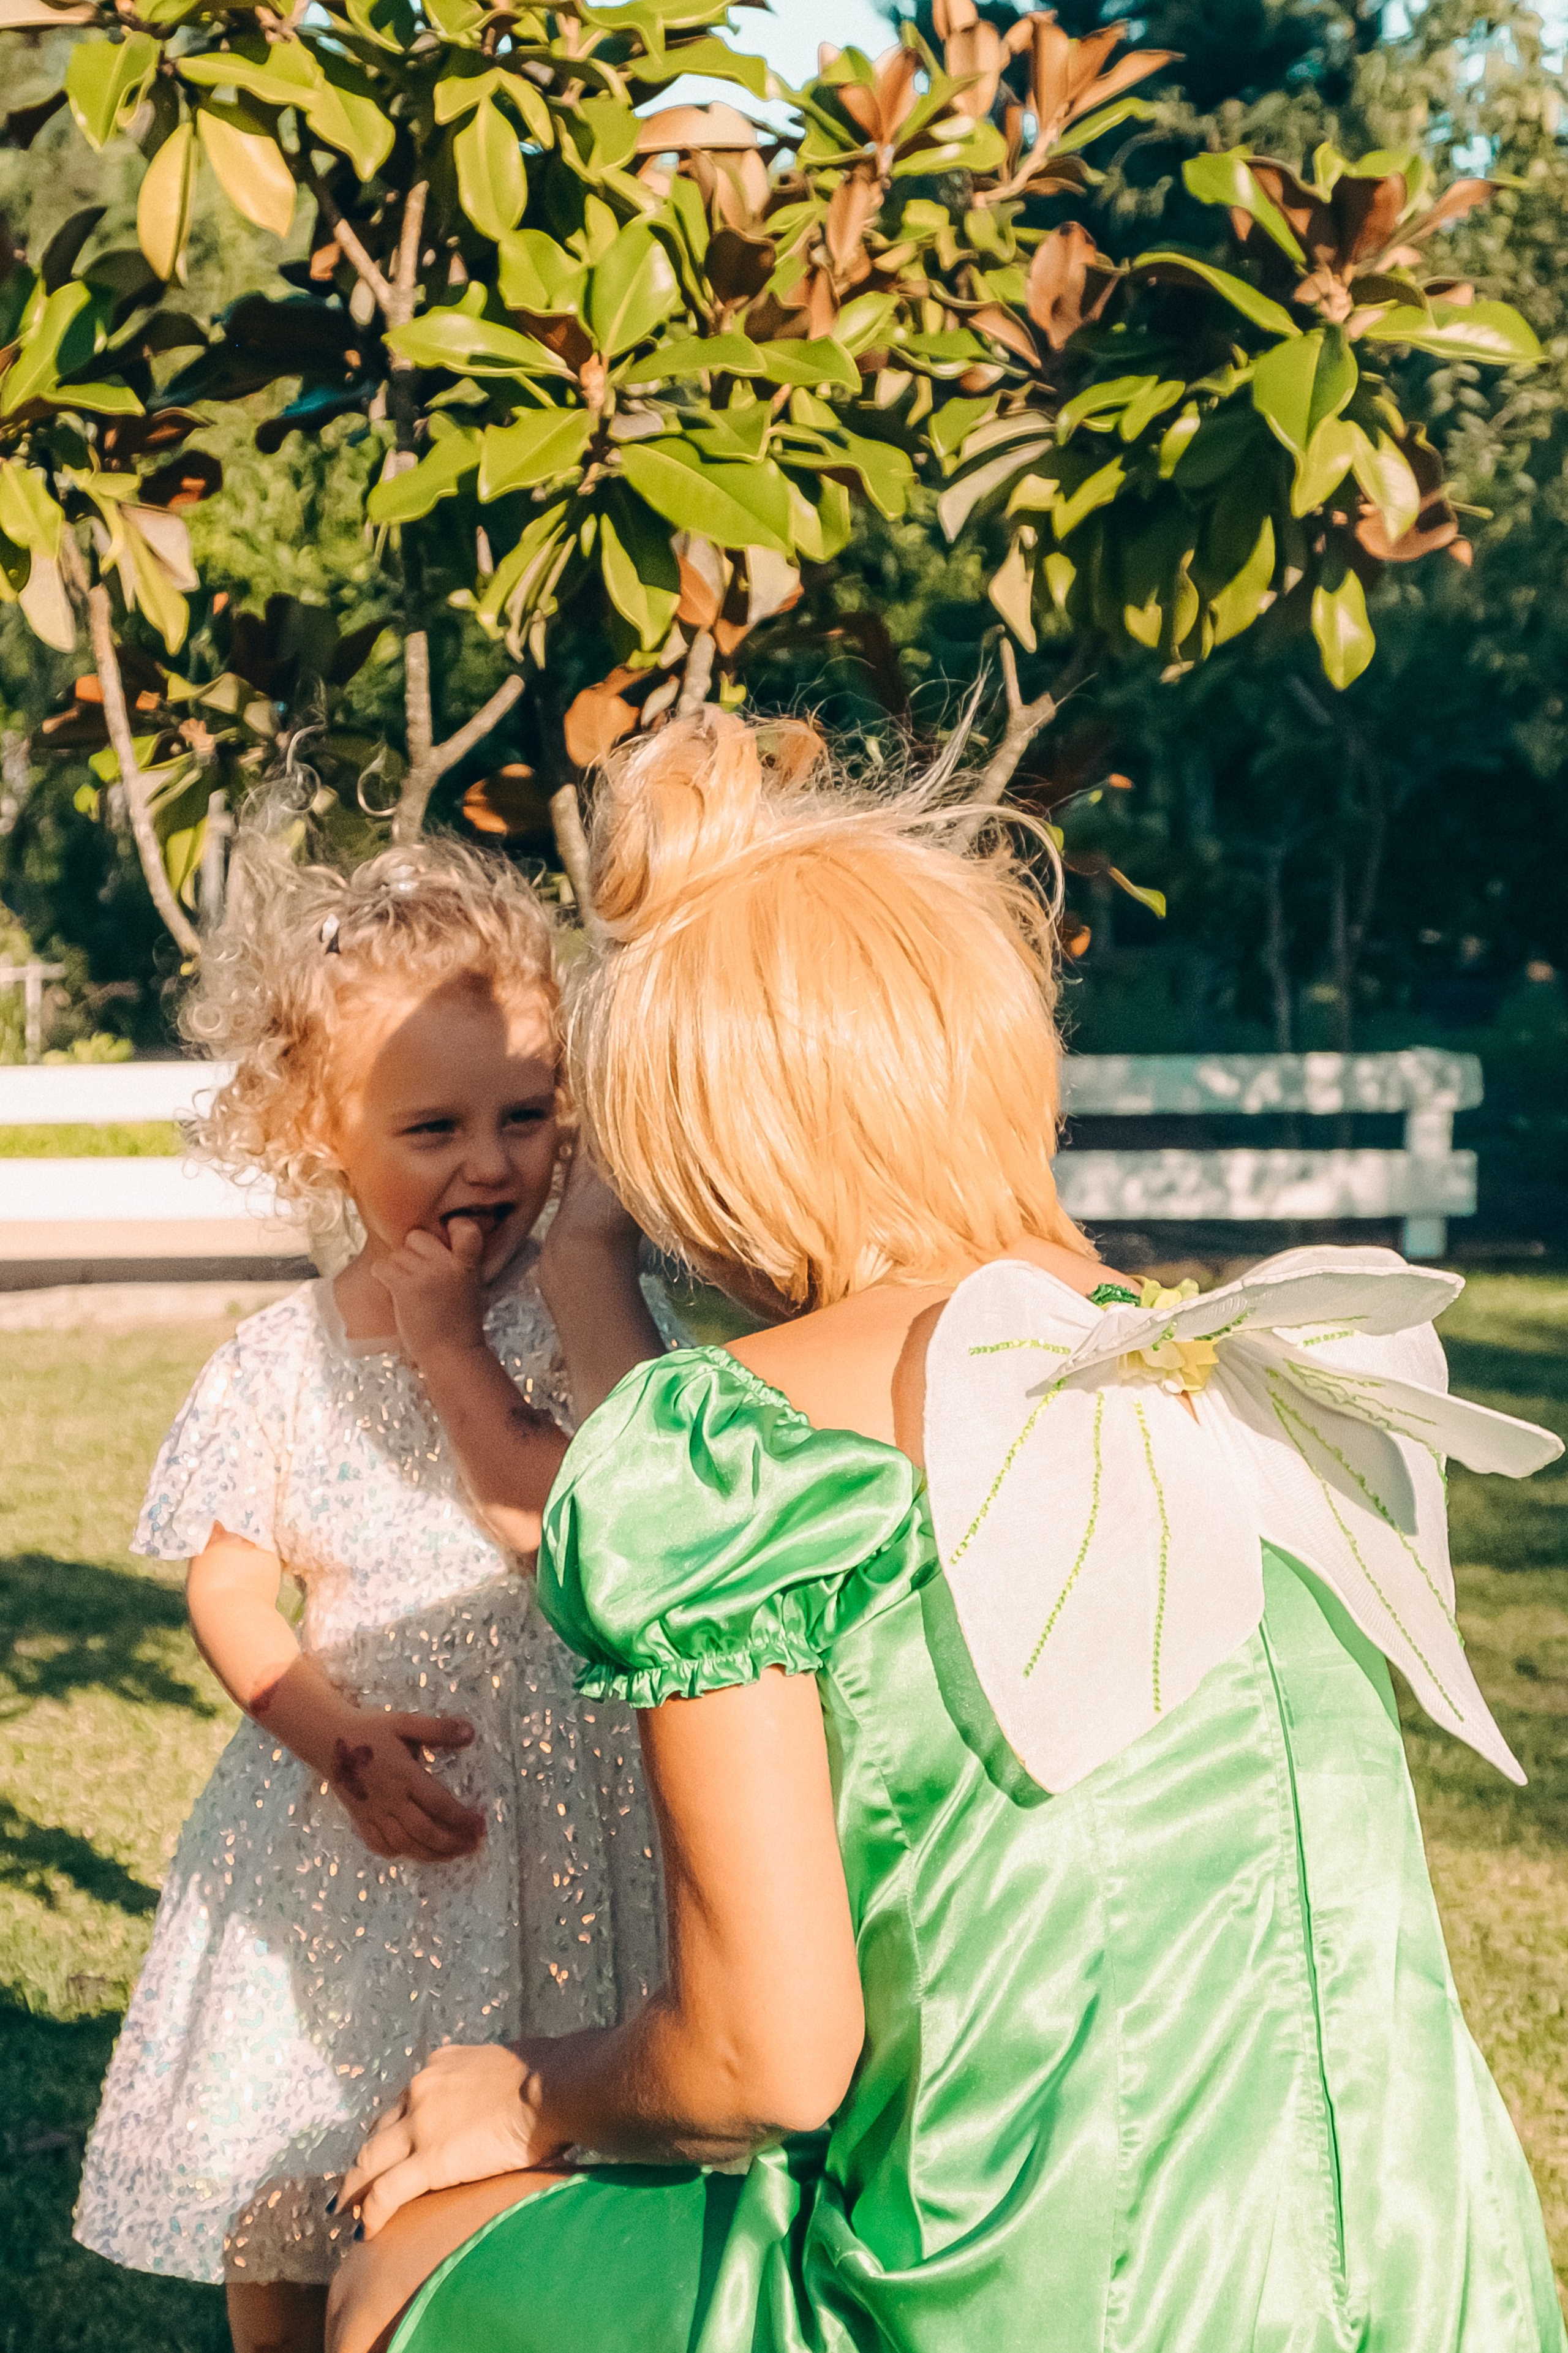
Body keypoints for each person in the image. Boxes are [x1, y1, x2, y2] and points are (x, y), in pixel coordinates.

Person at [328, 713, 1567, 2353]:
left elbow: (763, 2061)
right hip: (1430, 2289)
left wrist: (528, 2089)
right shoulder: (1223, 1362)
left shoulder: (727, 1448)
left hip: (1048, 2301)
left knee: (404, 2259)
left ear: (692, 1153)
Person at [73, 835, 675, 2353]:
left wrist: (468, 1335)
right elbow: (235, 1589)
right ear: (315, 1132)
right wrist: (328, 1731)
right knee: (294, 2162)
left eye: (526, 1117)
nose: (489, 1162)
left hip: (572, 1820)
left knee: (541, 2164)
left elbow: (597, 1506)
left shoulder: (587, 1312)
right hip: (359, 1835)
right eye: (432, 1126)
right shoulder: (278, 1362)